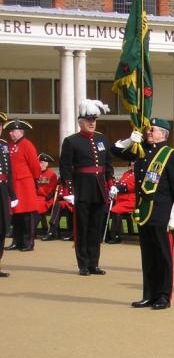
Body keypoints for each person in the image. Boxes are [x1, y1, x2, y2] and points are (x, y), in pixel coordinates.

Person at [111, 118, 174, 310]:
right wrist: (130, 140)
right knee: (148, 256)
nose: (148, 133)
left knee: (163, 255)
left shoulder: (171, 156)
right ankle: (149, 294)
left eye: (152, 130)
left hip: (162, 212)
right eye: (149, 130)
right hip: (144, 211)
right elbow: (114, 151)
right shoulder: (141, 150)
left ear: (163, 134)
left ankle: (163, 296)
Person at [59, 99, 113, 276]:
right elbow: (65, 167)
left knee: (95, 228)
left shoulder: (102, 138)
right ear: (80, 122)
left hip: (99, 189)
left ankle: (94, 264)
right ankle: (83, 264)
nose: (92, 123)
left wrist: (111, 184)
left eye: (94, 120)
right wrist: (69, 191)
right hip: (82, 190)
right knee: (82, 228)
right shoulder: (71, 141)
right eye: (88, 120)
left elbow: (107, 164)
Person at [4, 119, 40, 252]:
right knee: (16, 215)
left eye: (13, 131)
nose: (11, 134)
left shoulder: (27, 145)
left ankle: (28, 242)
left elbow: (35, 166)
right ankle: (17, 241)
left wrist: (36, 179)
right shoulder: (10, 145)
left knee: (27, 215)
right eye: (10, 131)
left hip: (25, 184)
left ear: (21, 131)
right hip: (14, 185)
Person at [0, 112, 18, 276]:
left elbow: (9, 173)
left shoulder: (3, 145)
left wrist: (13, 195)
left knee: (3, 227)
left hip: (3, 190)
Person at [105, 161, 136, 244]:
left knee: (116, 210)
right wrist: (115, 186)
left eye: (134, 164)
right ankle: (107, 234)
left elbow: (133, 186)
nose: (132, 165)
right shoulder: (127, 173)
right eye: (132, 163)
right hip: (121, 199)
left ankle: (116, 236)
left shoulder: (140, 173)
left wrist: (120, 188)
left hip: (131, 200)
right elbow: (121, 183)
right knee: (105, 207)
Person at [35, 153, 58, 235]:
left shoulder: (51, 174)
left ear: (46, 163)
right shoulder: (35, 173)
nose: (39, 164)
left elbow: (49, 190)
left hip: (45, 198)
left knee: (37, 205)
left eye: (41, 162)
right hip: (35, 197)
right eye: (39, 162)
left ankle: (31, 230)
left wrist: (37, 189)